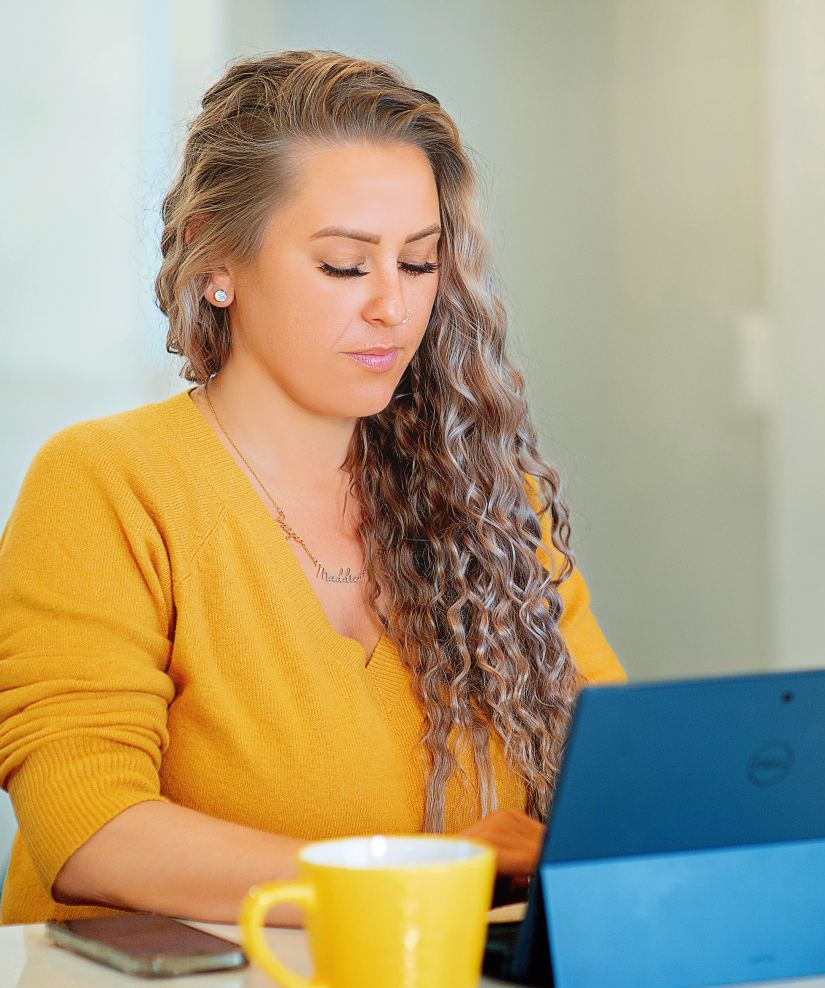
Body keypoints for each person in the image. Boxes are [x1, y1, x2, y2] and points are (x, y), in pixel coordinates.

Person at [0, 49, 625, 926]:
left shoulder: (492, 502)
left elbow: (618, 779)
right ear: (215, 257)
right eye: (343, 265)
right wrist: (420, 877)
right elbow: (93, 831)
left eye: (417, 264)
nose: (392, 309)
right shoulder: (108, 484)